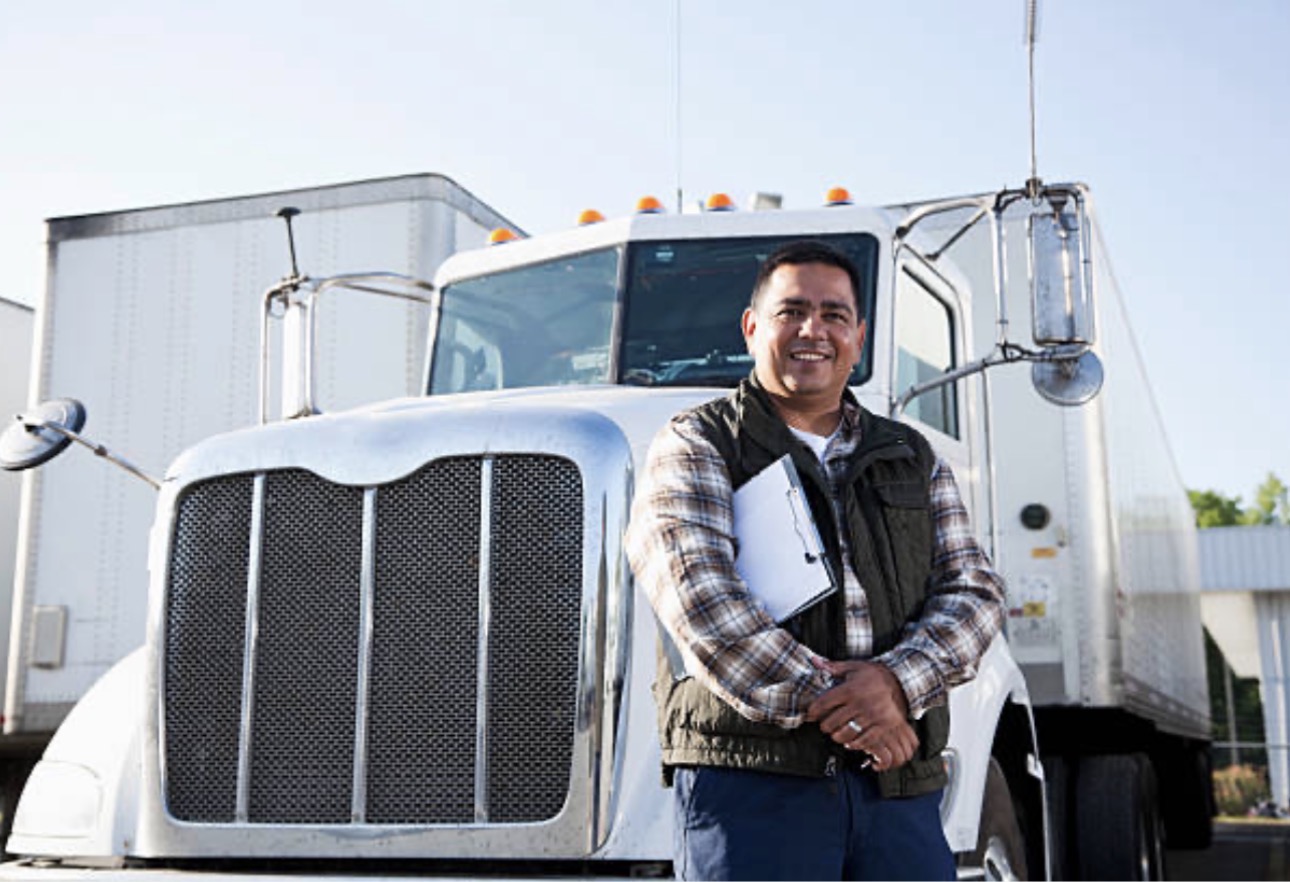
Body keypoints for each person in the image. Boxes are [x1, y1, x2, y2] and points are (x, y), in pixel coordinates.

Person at [624, 239, 1006, 881]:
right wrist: (857, 710)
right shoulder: (698, 441)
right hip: (754, 786)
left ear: (858, 337)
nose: (813, 331)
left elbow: (974, 593)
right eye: (791, 311)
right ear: (751, 328)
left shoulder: (912, 456)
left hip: (897, 786)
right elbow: (702, 604)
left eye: (833, 315)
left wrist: (893, 685)